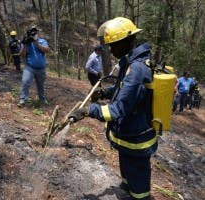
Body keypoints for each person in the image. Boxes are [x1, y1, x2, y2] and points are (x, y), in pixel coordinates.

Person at [69, 17, 157, 200]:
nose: (111, 49)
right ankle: (128, 187)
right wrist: (105, 93)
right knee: (127, 168)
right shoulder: (130, 64)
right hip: (128, 133)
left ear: (127, 41)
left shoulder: (137, 70)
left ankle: (139, 196)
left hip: (137, 136)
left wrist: (88, 111)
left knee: (138, 176)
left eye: (114, 45)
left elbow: (117, 110)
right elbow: (124, 91)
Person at [18, 26, 50, 106]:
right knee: (25, 82)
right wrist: (25, 44)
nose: (34, 34)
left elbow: (46, 50)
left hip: (41, 68)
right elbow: (22, 55)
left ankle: (42, 100)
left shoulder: (42, 41)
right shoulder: (26, 43)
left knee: (41, 85)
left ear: (37, 33)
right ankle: (22, 100)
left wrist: (37, 43)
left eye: (35, 32)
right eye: (32, 33)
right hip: (30, 67)